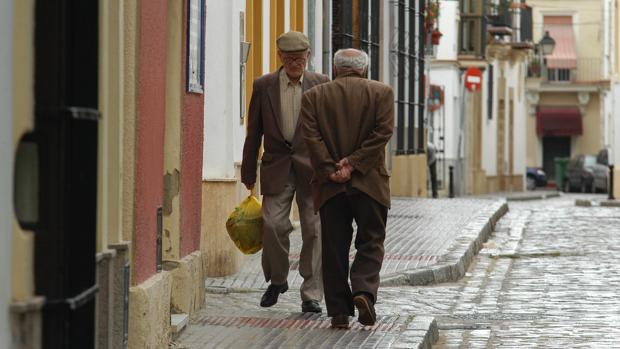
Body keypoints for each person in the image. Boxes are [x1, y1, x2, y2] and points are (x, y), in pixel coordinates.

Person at [300, 48, 394, 328]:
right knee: (371, 239)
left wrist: (333, 169)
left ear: (335, 68)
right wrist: (353, 164)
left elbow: (312, 139)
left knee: (333, 246)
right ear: (364, 69)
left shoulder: (313, 97)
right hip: (370, 182)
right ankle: (364, 291)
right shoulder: (382, 93)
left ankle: (339, 313)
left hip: (331, 186)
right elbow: (383, 133)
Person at [241, 31, 329, 313]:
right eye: (289, 58)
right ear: (280, 57)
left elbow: (329, 130)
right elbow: (253, 132)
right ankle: (278, 280)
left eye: (300, 58)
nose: (295, 63)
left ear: (308, 56)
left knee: (315, 230)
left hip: (312, 170)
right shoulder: (264, 85)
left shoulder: (321, 85)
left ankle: (311, 293)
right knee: (273, 225)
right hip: (277, 168)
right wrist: (248, 173)